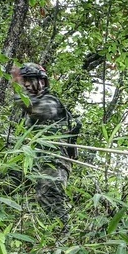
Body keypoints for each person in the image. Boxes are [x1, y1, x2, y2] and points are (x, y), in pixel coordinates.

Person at [11, 62, 75, 223]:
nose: (26, 84)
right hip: (30, 160)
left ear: (42, 82)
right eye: (25, 80)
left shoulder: (51, 102)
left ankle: (63, 237)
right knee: (5, 185)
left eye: (30, 79)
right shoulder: (24, 113)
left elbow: (38, 110)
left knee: (49, 196)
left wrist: (20, 94)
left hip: (53, 159)